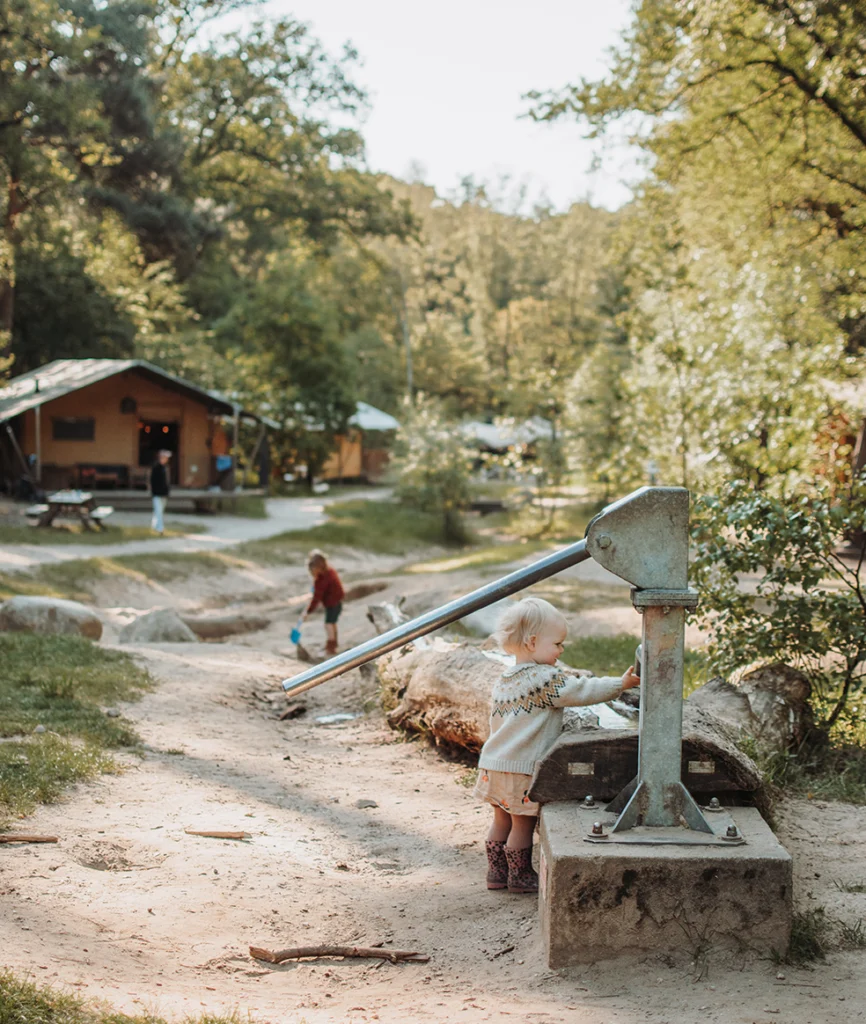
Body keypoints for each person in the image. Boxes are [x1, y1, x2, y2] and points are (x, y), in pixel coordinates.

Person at [474, 597, 640, 894]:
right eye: (558, 644)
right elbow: (581, 690)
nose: (561, 651)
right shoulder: (544, 680)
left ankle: (496, 873)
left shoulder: (504, 679)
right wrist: (620, 684)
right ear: (533, 642)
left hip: (493, 764)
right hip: (521, 768)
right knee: (522, 825)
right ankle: (520, 876)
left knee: (500, 820)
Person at [303, 549, 345, 656]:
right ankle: (334, 643)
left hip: (332, 603)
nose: (312, 573)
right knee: (332, 623)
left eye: (313, 571)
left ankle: (331, 646)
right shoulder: (330, 571)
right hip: (337, 601)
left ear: (318, 568)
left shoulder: (321, 580)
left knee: (328, 624)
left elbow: (316, 598)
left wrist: (308, 611)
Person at [150, 450, 171, 535]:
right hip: (157, 493)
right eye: (165, 457)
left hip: (164, 493)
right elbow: (152, 481)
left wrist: (167, 491)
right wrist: (154, 491)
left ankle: (154, 525)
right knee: (158, 511)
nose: (166, 459)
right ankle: (160, 529)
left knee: (159, 511)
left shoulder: (165, 467)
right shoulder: (156, 468)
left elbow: (167, 481)